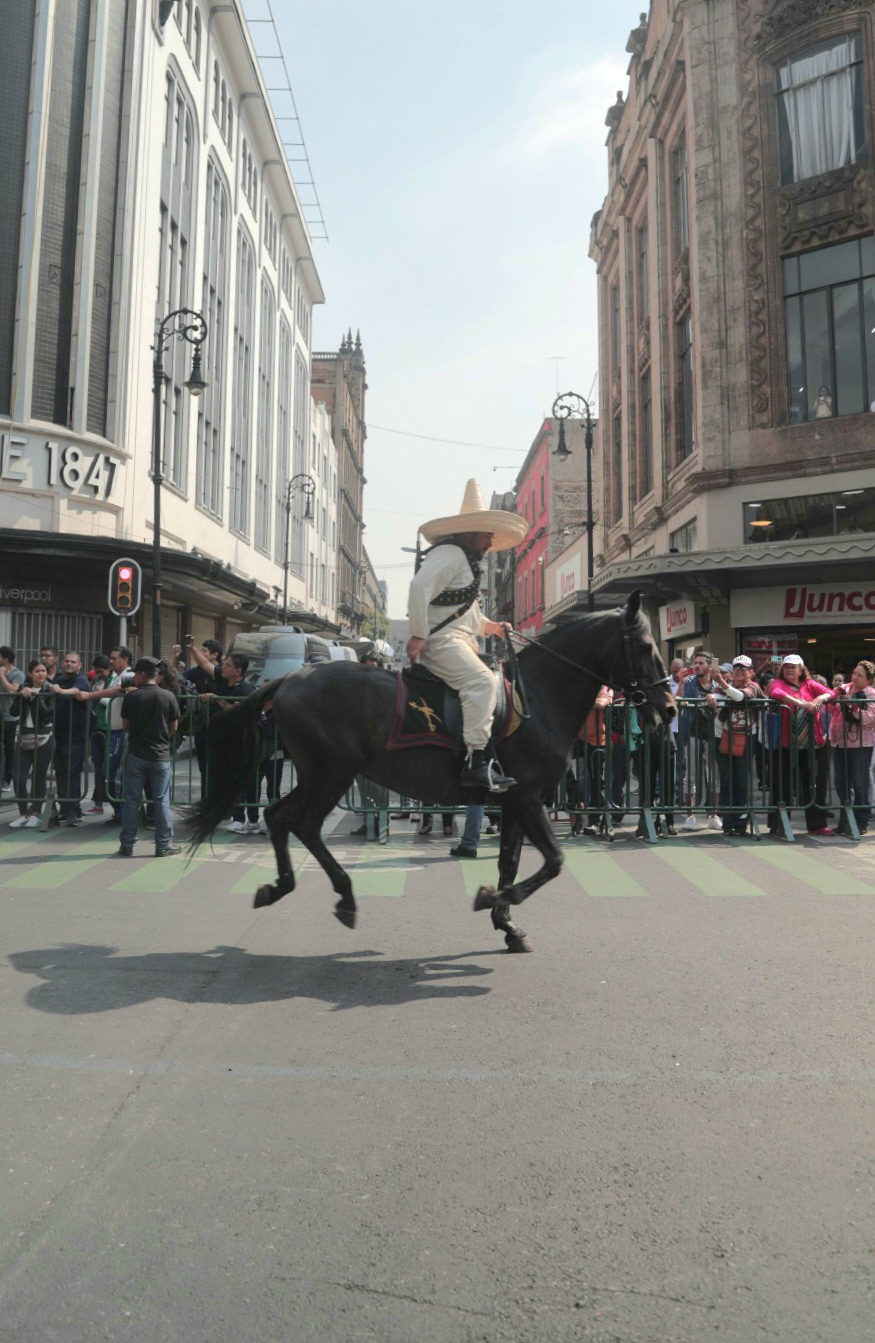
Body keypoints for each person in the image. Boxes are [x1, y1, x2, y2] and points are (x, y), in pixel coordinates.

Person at [406, 479, 526, 790]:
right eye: (487, 533)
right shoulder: (451, 554)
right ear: (470, 531)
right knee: (482, 681)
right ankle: (477, 762)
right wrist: (418, 634)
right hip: (442, 643)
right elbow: (419, 587)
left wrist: (494, 628)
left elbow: (468, 616)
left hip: (457, 639)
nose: (490, 540)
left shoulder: (464, 561)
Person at [117, 657, 181, 857]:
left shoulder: (132, 697)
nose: (134, 677)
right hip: (160, 755)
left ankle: (127, 844)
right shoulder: (168, 696)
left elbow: (126, 726)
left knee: (131, 800)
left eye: (136, 673)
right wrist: (162, 738)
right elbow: (174, 727)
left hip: (136, 753)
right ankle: (163, 845)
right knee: (161, 800)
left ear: (143, 675)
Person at [767, 653, 836, 836]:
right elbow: (775, 693)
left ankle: (817, 825)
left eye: (793, 666)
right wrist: (799, 703)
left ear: (801, 669)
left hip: (811, 744)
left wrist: (819, 699)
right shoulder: (778, 682)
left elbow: (831, 692)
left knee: (813, 784)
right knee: (783, 784)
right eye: (787, 666)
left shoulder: (809, 684)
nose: (790, 669)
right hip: (785, 744)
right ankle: (778, 825)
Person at [203, 652, 259, 833]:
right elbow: (205, 664)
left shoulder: (246, 689)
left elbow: (238, 711)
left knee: (241, 781)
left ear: (238, 670)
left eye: (227, 665)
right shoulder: (222, 683)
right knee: (223, 779)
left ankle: (241, 818)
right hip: (222, 741)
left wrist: (217, 699)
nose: (223, 668)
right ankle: (224, 814)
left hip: (241, 741)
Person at [714, 656, 760, 836]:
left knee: (741, 782)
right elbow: (715, 695)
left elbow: (741, 697)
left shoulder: (753, 686)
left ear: (751, 672)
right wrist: (711, 695)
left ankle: (741, 824)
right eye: (737, 668)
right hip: (723, 738)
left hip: (746, 740)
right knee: (726, 782)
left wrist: (721, 684)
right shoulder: (722, 686)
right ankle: (727, 823)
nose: (740, 671)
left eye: (744, 668)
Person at [830, 661, 875, 836]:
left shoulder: (871, 694)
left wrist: (852, 706)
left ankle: (861, 821)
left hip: (860, 745)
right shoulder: (844, 688)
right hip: (839, 742)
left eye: (860, 675)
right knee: (841, 783)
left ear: (869, 680)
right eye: (854, 673)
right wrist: (833, 698)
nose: (855, 677)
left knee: (859, 783)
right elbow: (830, 705)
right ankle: (845, 821)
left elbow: (869, 718)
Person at [7, 660, 54, 827]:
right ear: (30, 673)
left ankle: (35, 812)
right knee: (18, 777)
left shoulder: (50, 689)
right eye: (37, 671)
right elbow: (13, 712)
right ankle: (23, 813)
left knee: (38, 777)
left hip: (44, 738)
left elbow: (46, 715)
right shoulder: (24, 688)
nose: (41, 673)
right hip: (23, 738)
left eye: (43, 670)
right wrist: (22, 696)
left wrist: (35, 697)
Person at [679, 650, 723, 831]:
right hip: (693, 732)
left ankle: (713, 814)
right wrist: (681, 682)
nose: (697, 666)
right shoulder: (689, 682)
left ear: (709, 666)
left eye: (701, 663)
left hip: (713, 733)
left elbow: (723, 702)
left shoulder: (717, 684)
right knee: (690, 775)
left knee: (714, 775)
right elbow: (681, 701)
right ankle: (690, 816)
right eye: (695, 663)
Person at [50, 651, 90, 825]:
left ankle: (74, 810)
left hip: (76, 736)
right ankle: (64, 808)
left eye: (73, 661)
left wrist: (61, 691)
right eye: (66, 661)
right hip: (58, 735)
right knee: (60, 771)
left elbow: (77, 691)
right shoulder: (58, 680)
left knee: (72, 772)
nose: (69, 664)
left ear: (79, 665)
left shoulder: (80, 680)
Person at [84, 653, 112, 814]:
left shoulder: (114, 681)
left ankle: (115, 804)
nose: (98, 674)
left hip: (110, 730)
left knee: (108, 768)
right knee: (98, 765)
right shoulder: (95, 682)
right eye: (96, 671)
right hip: (96, 729)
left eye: (101, 671)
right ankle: (98, 803)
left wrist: (98, 694)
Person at [0, 645, 25, 794]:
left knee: (9, 748)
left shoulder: (18, 674)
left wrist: (2, 675)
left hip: (10, 717)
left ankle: (7, 780)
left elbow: (12, 690)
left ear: (5, 658)